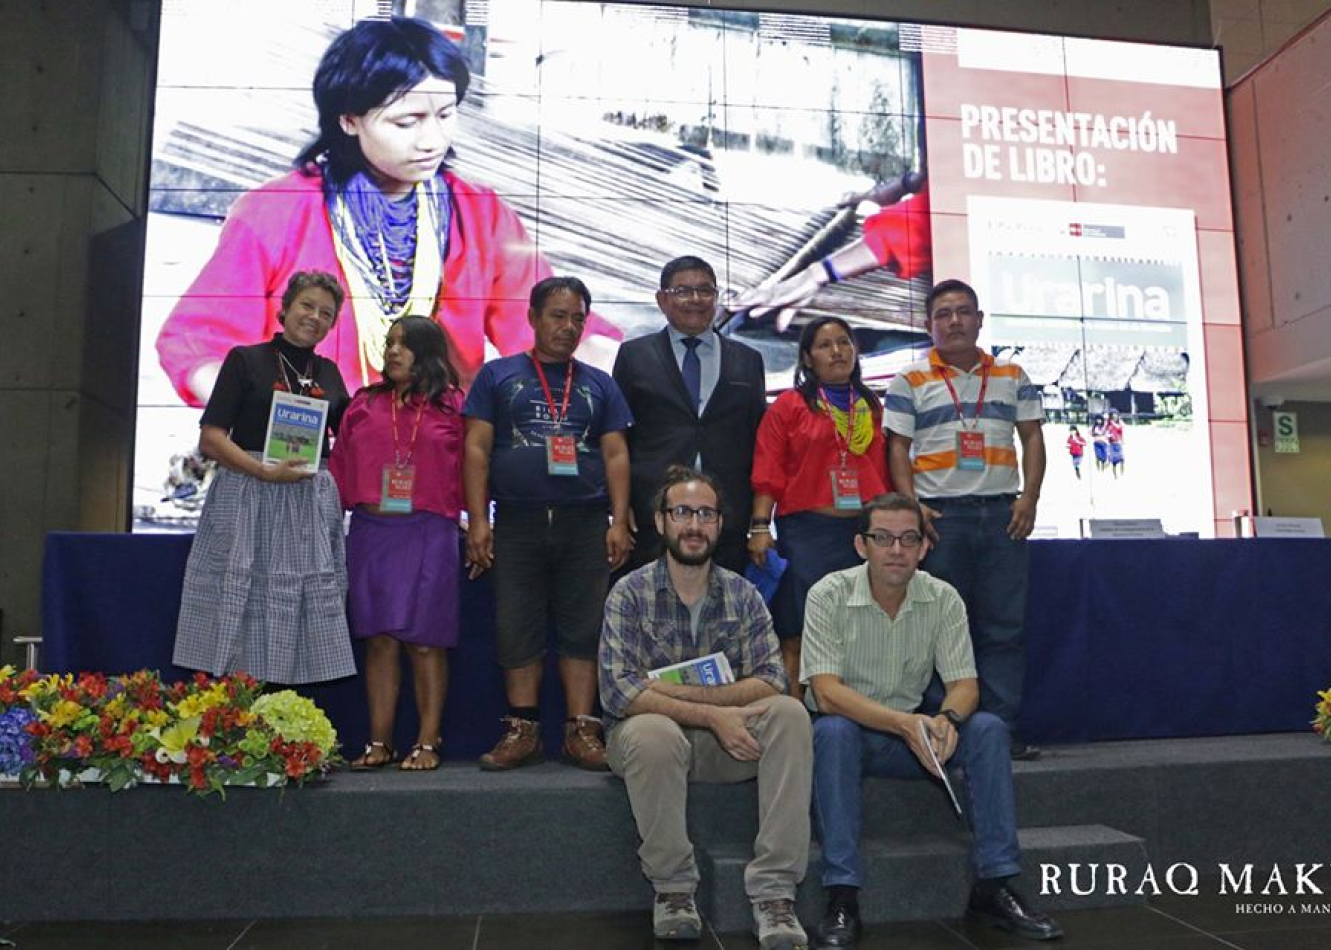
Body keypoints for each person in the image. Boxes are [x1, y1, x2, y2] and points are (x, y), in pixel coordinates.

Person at [156, 16, 619, 407]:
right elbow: (200, 340)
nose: (433, 140)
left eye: (445, 114)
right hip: (311, 452)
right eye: (408, 121)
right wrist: (256, 409)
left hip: (438, 452)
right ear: (349, 119)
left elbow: (544, 320)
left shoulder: (479, 213)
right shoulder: (277, 211)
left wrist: (612, 356)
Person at [802, 493, 1062, 947]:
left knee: (986, 729)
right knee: (833, 731)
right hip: (854, 734)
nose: (897, 550)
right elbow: (826, 693)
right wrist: (905, 723)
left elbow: (966, 686)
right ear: (862, 546)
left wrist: (944, 719)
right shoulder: (828, 594)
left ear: (924, 547)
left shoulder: (943, 598)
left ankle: (995, 884)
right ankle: (841, 895)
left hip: (912, 737)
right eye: (883, 538)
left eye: (908, 539)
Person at [599, 466, 812, 948]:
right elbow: (620, 693)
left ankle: (776, 894)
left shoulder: (745, 595)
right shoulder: (628, 595)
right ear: (660, 521)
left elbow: (772, 681)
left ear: (720, 524)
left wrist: (688, 702)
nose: (693, 525)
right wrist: (714, 712)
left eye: (705, 514)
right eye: (681, 512)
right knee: (653, 730)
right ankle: (673, 889)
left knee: (792, 715)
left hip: (729, 748)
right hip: (649, 751)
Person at [463, 276, 633, 771]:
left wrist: (619, 520)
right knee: (515, 625)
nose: (569, 326)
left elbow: (617, 453)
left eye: (578, 317)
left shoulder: (601, 383)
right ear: (533, 318)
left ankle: (582, 730)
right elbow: (475, 449)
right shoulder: (497, 376)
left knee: (585, 627)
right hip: (517, 520)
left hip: (585, 523)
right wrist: (478, 520)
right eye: (558, 315)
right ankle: (522, 730)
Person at [885, 279, 1046, 760]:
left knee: (1002, 629)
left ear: (979, 319)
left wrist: (1030, 499)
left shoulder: (1013, 374)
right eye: (943, 314)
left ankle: (1001, 730)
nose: (954, 321)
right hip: (941, 521)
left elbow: (1033, 439)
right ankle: (940, 731)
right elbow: (896, 448)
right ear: (930, 325)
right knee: (936, 628)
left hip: (1003, 515)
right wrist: (913, 507)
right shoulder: (909, 380)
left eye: (963, 312)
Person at [172, 270, 355, 684]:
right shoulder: (245, 359)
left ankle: (294, 727)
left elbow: (352, 438)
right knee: (238, 602)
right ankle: (238, 719)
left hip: (307, 500)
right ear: (285, 308)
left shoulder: (329, 373)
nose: (315, 317)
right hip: (249, 490)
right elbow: (212, 439)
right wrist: (263, 471)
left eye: (326, 313)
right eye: (307, 305)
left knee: (303, 609)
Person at [329, 316, 464, 771]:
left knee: (426, 642)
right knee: (380, 640)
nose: (392, 351)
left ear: (427, 351)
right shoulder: (363, 404)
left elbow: (474, 468)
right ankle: (379, 741)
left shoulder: (453, 407)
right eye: (389, 343)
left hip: (429, 532)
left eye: (404, 344)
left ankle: (428, 740)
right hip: (370, 532)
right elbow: (338, 468)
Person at [750, 316, 890, 695]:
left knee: (857, 632)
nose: (837, 352)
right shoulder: (790, 405)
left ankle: (851, 719)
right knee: (797, 631)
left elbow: (884, 471)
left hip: (862, 535)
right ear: (808, 358)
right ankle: (793, 721)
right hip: (806, 534)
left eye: (844, 342)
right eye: (825, 345)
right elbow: (769, 469)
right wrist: (760, 526)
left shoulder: (871, 405)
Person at [613, 256, 767, 575]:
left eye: (704, 290)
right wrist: (620, 507)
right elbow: (618, 439)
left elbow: (759, 440)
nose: (695, 299)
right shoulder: (634, 355)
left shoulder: (748, 360)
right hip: (653, 512)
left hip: (727, 513)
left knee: (724, 612)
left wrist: (759, 520)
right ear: (662, 299)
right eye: (683, 290)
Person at [1106, 411, 1126, 477]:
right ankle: (1115, 477)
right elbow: (1106, 432)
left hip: (1118, 443)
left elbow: (1121, 428)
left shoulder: (1120, 423)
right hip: (1112, 444)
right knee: (1114, 462)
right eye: (1113, 416)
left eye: (1115, 416)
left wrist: (1122, 440)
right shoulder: (1108, 424)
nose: (1114, 417)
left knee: (1122, 460)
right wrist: (1108, 435)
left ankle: (1122, 474)